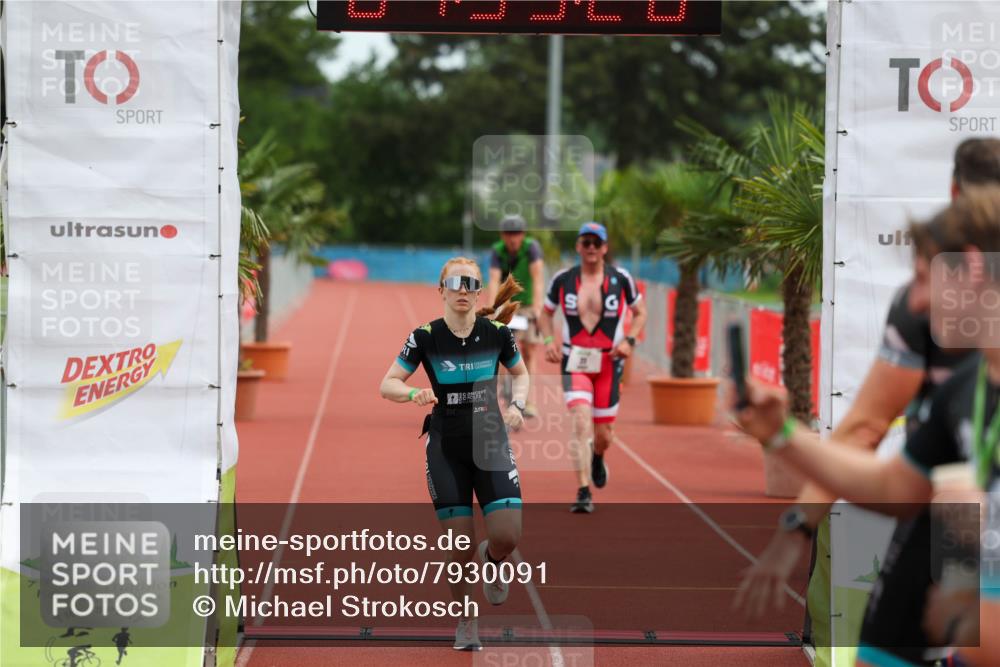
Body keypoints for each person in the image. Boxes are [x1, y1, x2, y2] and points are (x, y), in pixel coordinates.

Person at [734, 137, 1000, 660]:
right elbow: (893, 478)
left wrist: (969, 617)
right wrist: (782, 436)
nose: (915, 300)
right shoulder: (969, 387)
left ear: (970, 265)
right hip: (956, 511)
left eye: (925, 278)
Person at [379, 257, 530, 651]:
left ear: (479, 292)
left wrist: (517, 405)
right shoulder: (424, 337)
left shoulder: (498, 334)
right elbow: (388, 384)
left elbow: (521, 374)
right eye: (455, 283)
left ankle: (494, 562)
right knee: (458, 547)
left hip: (490, 440)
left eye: (471, 284)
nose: (463, 290)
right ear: (441, 289)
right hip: (446, 447)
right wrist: (414, 393)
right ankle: (467, 620)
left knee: (507, 535)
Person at [538, 222, 647, 513]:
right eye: (585, 242)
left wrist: (631, 341)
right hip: (575, 362)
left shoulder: (621, 279)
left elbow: (641, 312)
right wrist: (549, 340)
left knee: (604, 435)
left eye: (596, 243)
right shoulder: (563, 280)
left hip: (609, 363)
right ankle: (584, 490)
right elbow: (545, 313)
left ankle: (598, 456)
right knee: (580, 420)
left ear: (605, 248)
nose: (590, 248)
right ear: (578, 246)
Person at [486, 214, 546, 417]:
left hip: (528, 304)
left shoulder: (531, 248)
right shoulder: (497, 251)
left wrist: (538, 308)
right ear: (502, 235)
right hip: (507, 305)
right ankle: (503, 389)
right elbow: (494, 279)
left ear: (523, 235)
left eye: (517, 233)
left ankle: (527, 401)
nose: (513, 238)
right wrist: (495, 307)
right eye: (509, 234)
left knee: (529, 351)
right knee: (502, 349)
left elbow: (537, 278)